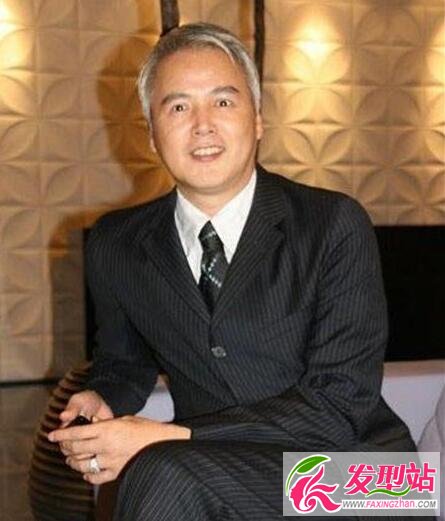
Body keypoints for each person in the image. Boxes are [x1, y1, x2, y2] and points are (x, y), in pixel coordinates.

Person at [48, 22, 417, 520]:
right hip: (214, 467)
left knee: (162, 471)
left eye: (223, 101)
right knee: (168, 474)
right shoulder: (118, 243)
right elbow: (124, 361)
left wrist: (173, 436)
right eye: (178, 107)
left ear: (258, 119)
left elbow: (339, 406)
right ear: (152, 134)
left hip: (371, 477)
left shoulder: (333, 224)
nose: (203, 125)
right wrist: (102, 395)